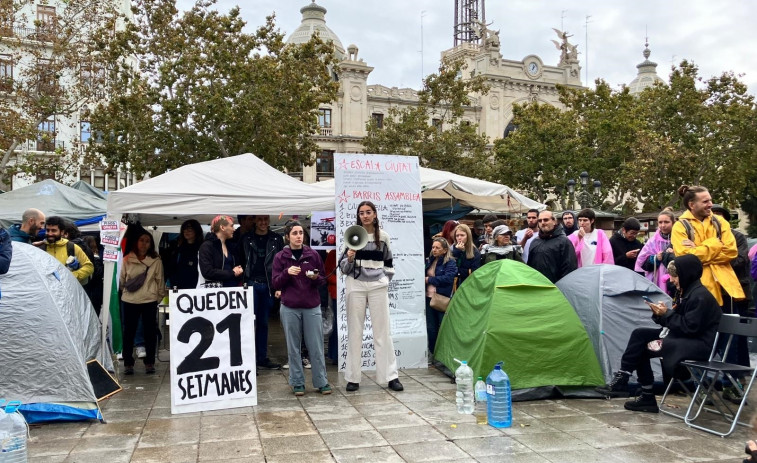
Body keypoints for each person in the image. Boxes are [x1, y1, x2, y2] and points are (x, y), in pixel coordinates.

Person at [596, 255, 722, 413]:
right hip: (685, 339)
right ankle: (624, 376)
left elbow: (689, 328)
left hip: (698, 345)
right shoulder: (689, 292)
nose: (672, 280)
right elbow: (679, 324)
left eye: (675, 276)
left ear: (686, 275)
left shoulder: (700, 297)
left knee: (642, 348)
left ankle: (646, 395)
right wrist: (660, 314)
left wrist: (667, 314)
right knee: (640, 334)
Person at [339, 201, 403, 392]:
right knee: (355, 331)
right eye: (361, 213)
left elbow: (389, 264)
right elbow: (343, 268)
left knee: (383, 332)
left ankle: (391, 376)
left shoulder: (383, 237)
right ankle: (353, 378)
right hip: (355, 284)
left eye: (368, 212)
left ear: (375, 214)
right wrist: (349, 257)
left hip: (377, 285)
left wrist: (384, 279)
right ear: (358, 216)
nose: (365, 215)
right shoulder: (351, 236)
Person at [272, 221, 331, 396]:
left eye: (301, 233)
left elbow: (323, 280)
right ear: (287, 237)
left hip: (311, 305)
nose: (298, 236)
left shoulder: (312, 254)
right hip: (289, 306)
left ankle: (321, 381)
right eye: (294, 233)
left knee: (316, 346)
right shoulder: (280, 257)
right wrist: (286, 273)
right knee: (293, 346)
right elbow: (275, 282)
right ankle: (297, 382)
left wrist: (315, 277)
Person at [672, 185, 744, 306]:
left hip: (726, 290)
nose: (710, 204)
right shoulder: (679, 226)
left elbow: (731, 252)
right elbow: (685, 259)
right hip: (697, 292)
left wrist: (696, 249)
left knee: (729, 324)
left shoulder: (720, 222)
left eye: (710, 200)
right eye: (705, 201)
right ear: (692, 205)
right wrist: (714, 244)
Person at [237, 215, 285, 370]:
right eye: (260, 219)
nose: (263, 222)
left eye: (266, 219)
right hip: (251, 283)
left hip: (268, 285)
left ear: (269, 221)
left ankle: (261, 357)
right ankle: (248, 358)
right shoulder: (246, 238)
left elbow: (281, 263)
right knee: (249, 322)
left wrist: (279, 285)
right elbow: (240, 259)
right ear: (255, 221)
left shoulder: (277, 239)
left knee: (264, 323)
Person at [119, 229, 166, 375]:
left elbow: (160, 281)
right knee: (129, 332)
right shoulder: (127, 259)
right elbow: (121, 280)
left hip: (149, 300)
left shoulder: (156, 260)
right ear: (136, 242)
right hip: (130, 300)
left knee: (149, 332)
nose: (144, 244)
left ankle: (150, 362)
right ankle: (128, 363)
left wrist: (156, 297)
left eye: (147, 241)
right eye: (141, 240)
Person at [425, 237, 458, 356]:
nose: (434, 249)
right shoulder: (429, 260)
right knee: (431, 328)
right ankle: (433, 352)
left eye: (437, 248)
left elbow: (448, 279)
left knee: (443, 327)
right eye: (433, 247)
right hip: (428, 297)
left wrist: (429, 279)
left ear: (444, 250)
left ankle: (444, 353)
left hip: (441, 298)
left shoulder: (450, 262)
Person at [527, 210, 577, 283]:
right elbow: (530, 267)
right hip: (537, 286)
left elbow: (569, 268)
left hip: (556, 288)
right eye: (540, 221)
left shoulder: (564, 242)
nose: (542, 223)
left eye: (546, 220)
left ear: (554, 221)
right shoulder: (535, 242)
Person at [635, 208, 676, 295]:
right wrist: (655, 258)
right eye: (660, 222)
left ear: (673, 222)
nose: (663, 225)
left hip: (676, 280)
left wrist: (675, 254)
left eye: (666, 222)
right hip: (657, 280)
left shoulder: (680, 238)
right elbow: (642, 261)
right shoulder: (653, 241)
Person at [44, 216, 94, 284]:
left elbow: (89, 267)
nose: (49, 233)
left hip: (68, 291)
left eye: (53, 230)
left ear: (62, 232)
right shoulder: (40, 248)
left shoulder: (72, 247)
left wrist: (71, 276)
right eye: (47, 230)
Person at [198, 215, 243, 288]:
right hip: (216, 293)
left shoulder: (231, 246)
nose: (234, 229)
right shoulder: (207, 246)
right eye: (231, 226)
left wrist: (238, 270)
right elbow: (207, 272)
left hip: (232, 290)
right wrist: (232, 272)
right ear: (222, 227)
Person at [166, 219, 204, 289]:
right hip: (179, 288)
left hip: (197, 288)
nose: (186, 231)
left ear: (196, 230)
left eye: (189, 229)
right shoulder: (179, 249)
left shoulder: (203, 249)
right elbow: (172, 268)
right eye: (184, 229)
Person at [82, 235, 104, 315]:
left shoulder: (84, 258)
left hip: (89, 289)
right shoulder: (96, 258)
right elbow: (99, 274)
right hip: (96, 290)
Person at [325, 249, 339, 365]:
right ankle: (335, 355)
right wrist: (340, 281)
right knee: (337, 324)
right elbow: (327, 273)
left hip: (353, 292)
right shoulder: (333, 254)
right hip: (336, 294)